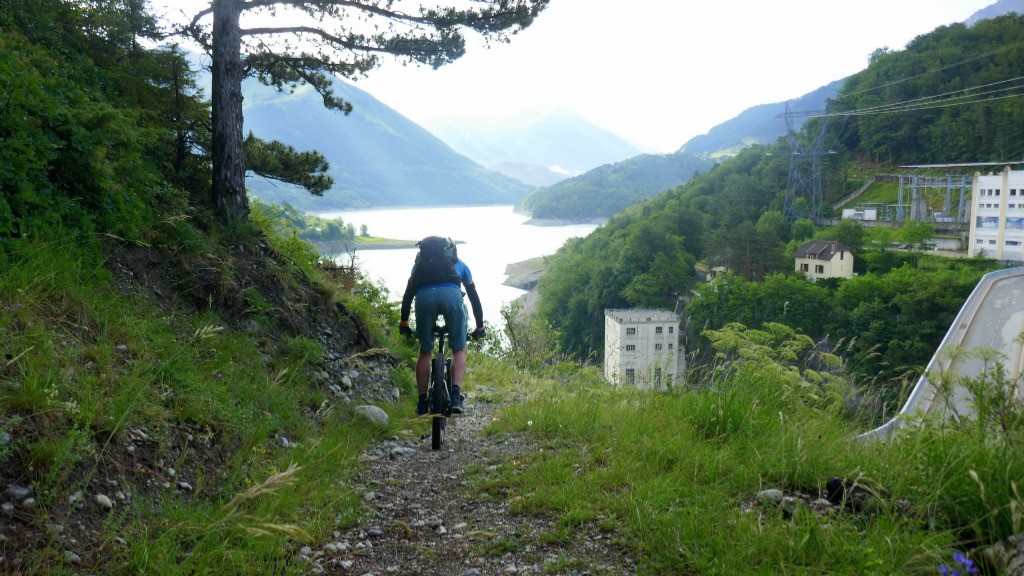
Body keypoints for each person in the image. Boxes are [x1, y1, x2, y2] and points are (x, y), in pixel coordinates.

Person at [399, 236, 484, 416]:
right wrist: (480, 327)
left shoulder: (418, 266)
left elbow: (407, 297)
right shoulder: (458, 264)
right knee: (458, 350)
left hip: (424, 299)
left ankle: (422, 403)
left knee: (425, 351)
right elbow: (474, 297)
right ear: (451, 251)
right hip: (451, 297)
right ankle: (455, 396)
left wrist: (404, 323)